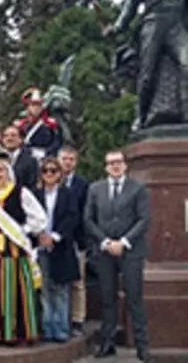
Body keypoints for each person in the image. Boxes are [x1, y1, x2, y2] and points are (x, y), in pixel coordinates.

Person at [0, 152, 47, 345]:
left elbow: (39, 219)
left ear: (8, 171)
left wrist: (24, 230)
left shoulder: (21, 193)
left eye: (0, 170)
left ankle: (19, 332)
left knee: (16, 289)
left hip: (13, 248)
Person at [84, 150, 151, 362]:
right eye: (111, 163)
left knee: (134, 298)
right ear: (105, 167)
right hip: (104, 252)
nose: (115, 166)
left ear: (125, 165)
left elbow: (144, 219)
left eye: (118, 162)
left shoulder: (137, 188)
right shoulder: (95, 189)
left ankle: (142, 347)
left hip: (131, 250)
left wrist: (123, 242)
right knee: (108, 298)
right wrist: (104, 242)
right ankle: (107, 343)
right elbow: (88, 219)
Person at [33, 157, 80, 343]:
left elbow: (72, 218)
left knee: (60, 289)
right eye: (45, 171)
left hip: (61, 247)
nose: (49, 174)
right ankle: (47, 328)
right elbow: (30, 217)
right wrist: (40, 236)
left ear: (60, 173)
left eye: (53, 170)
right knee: (44, 289)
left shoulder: (67, 194)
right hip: (41, 247)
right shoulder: (35, 194)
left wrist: (55, 236)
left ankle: (61, 329)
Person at [59, 146, 89, 337]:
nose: (67, 162)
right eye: (64, 158)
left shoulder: (82, 185)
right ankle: (60, 318)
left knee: (77, 282)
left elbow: (85, 213)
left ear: (75, 162)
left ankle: (77, 319)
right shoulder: (48, 180)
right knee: (57, 282)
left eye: (71, 159)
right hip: (55, 240)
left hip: (76, 240)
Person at [15, 88, 61, 160]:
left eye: (39, 105)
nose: (36, 108)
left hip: (45, 158)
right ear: (27, 107)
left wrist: (45, 152)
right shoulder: (20, 125)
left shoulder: (50, 124)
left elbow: (56, 142)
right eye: (33, 105)